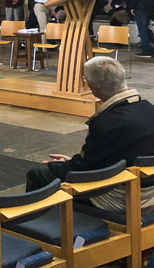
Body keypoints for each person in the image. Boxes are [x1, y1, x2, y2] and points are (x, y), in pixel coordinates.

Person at [26, 56, 154, 211]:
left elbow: (87, 171)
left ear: (93, 87)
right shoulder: (149, 109)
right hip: (149, 191)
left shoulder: (106, 122)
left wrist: (61, 166)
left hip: (119, 196)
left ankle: (37, 229)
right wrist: (73, 163)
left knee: (37, 176)